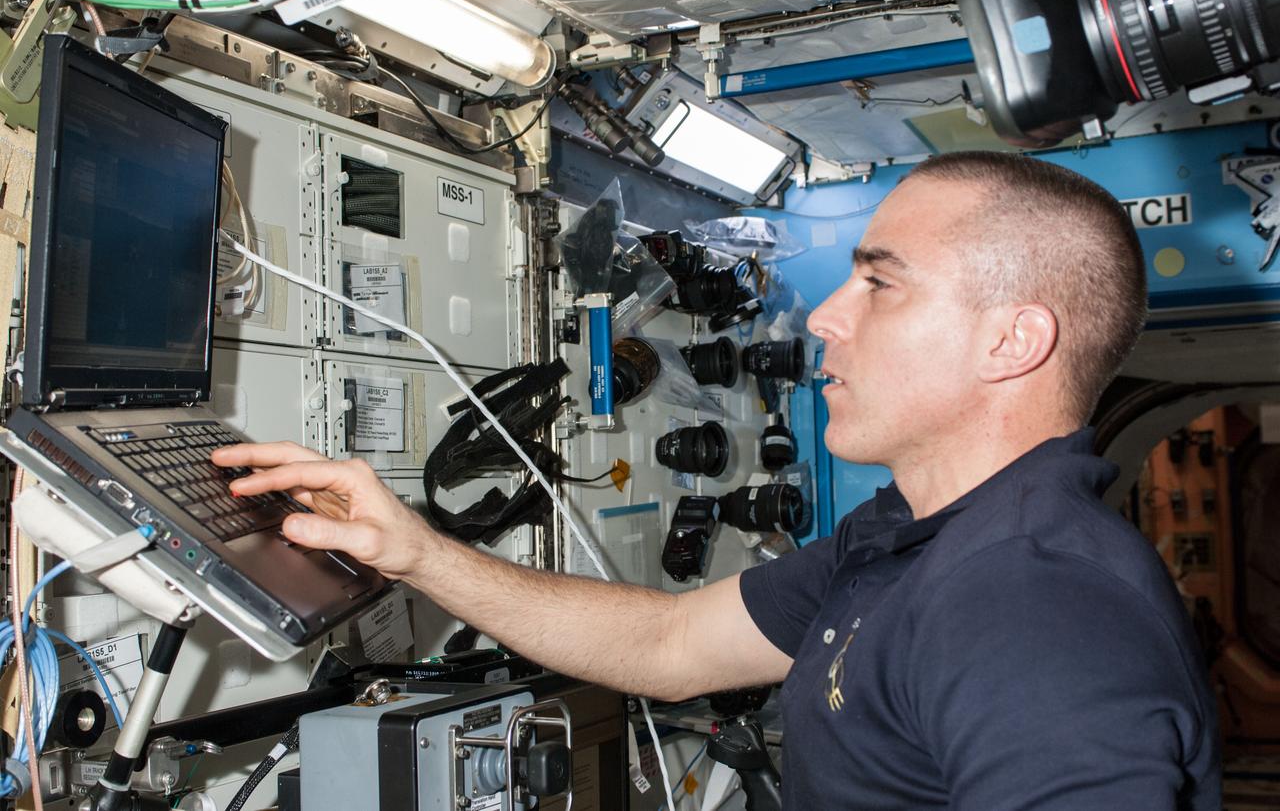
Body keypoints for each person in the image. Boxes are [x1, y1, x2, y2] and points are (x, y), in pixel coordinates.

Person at [213, 151, 1220, 809]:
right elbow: (668, 642)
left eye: (878, 281)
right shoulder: (908, 536)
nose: (826, 315)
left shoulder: (1036, 603)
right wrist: (419, 552)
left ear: (1013, 339)